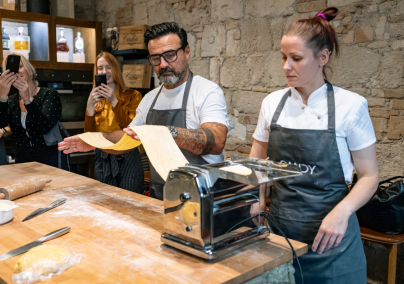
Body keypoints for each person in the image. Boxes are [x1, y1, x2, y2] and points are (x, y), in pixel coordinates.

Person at [249, 7, 379, 284]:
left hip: (333, 243)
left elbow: (370, 177)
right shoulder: (272, 104)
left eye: (296, 58)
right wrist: (256, 200)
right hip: (280, 235)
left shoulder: (351, 106)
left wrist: (342, 212)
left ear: (323, 57)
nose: (286, 66)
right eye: (284, 57)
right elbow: (257, 163)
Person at [59, 22, 229, 200]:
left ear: (187, 52)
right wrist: (95, 141)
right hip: (160, 195)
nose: (163, 64)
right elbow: (127, 138)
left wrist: (165, 132)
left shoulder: (207, 91)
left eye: (170, 55)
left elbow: (216, 142)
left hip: (201, 195)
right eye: (155, 58)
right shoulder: (150, 99)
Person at [85, 51, 144, 194]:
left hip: (128, 156)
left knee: (130, 202)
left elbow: (132, 130)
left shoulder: (133, 96)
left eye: (108, 67)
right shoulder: (95, 99)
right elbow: (89, 135)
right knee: (105, 204)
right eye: (100, 68)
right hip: (103, 156)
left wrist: (114, 101)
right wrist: (89, 107)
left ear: (116, 69)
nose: (104, 71)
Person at [0, 54, 69, 169]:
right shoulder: (11, 100)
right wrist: (2, 95)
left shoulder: (49, 94)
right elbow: (1, 123)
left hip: (49, 163)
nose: (16, 72)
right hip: (23, 164)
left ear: (30, 70)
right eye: (10, 69)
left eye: (20, 67)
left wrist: (27, 99)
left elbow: (44, 126)